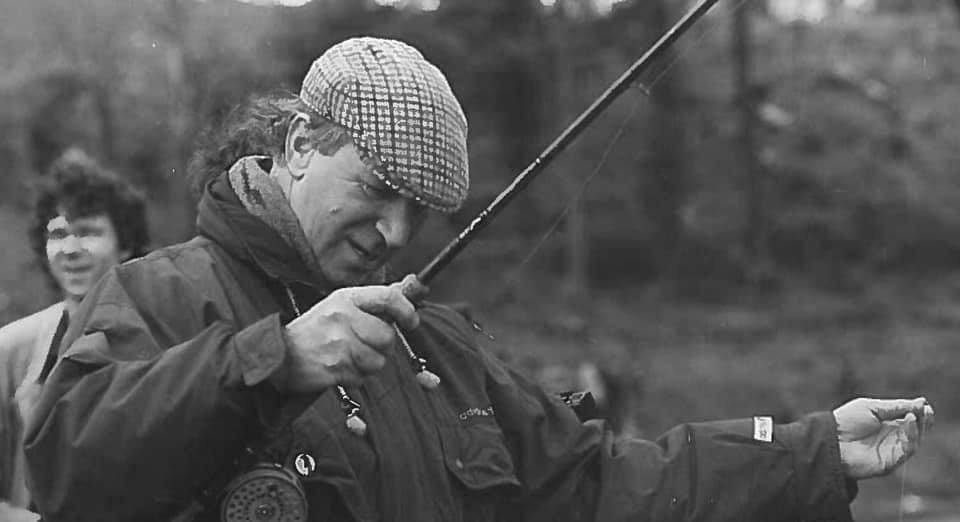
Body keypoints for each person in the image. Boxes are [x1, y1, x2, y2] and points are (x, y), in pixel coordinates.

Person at [24, 37, 933, 522]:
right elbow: (68, 468)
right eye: (380, 190)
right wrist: (277, 360)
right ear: (301, 144)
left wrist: (812, 451)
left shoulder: (434, 346)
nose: (395, 233)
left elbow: (603, 486)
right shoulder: (155, 298)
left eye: (420, 211)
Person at [0, 149, 148, 521]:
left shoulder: (160, 334)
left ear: (125, 243)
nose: (70, 249)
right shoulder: (11, 348)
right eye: (58, 233)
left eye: (88, 232)